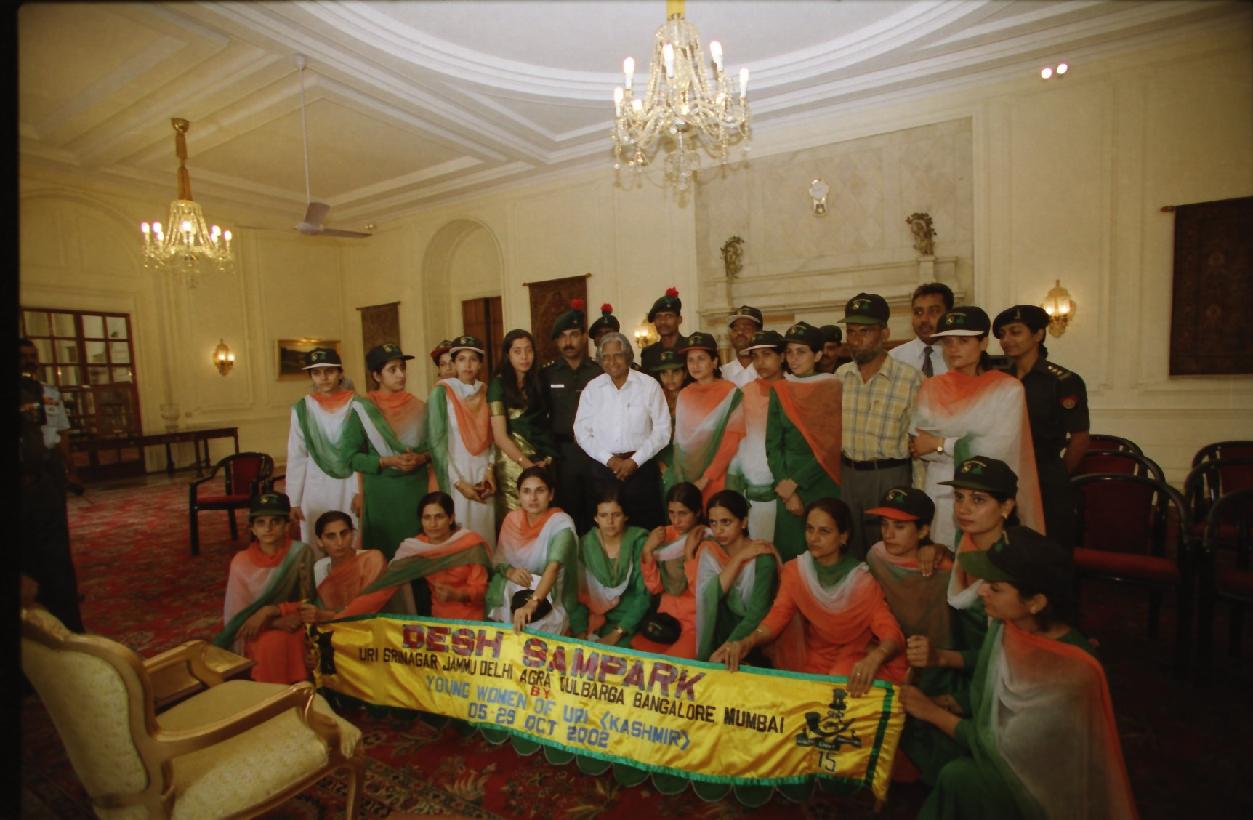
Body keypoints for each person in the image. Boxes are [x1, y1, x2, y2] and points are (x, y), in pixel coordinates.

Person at [900, 527, 1136, 819]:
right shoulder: (1009, 625)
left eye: (996, 588)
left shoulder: (1072, 673)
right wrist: (945, 695)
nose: (982, 591)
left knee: (959, 776)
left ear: (1035, 602)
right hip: (995, 742)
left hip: (1040, 781)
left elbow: (1004, 749)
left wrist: (932, 712)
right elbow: (989, 683)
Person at [713, 497, 909, 690]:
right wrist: (748, 642)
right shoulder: (797, 571)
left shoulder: (861, 581)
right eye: (809, 529)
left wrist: (876, 657)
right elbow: (778, 616)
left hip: (857, 654)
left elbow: (889, 630)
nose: (813, 538)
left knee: (839, 683)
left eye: (824, 531)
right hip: (815, 655)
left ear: (843, 536)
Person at [903, 456, 1021, 743]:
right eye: (959, 497)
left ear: (1006, 506)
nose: (963, 508)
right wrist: (940, 549)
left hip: (1002, 679)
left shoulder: (1014, 565)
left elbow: (1011, 659)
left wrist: (942, 663)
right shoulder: (965, 541)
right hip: (965, 660)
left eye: (978, 500)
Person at [909, 306, 1044, 550]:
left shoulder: (1006, 389)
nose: (953, 349)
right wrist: (955, 443)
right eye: (948, 342)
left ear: (983, 343)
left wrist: (940, 444)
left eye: (963, 341)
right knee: (940, 556)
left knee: (982, 560)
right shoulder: (931, 387)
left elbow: (995, 450)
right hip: (938, 489)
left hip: (984, 492)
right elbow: (919, 445)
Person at [835, 293, 924, 557]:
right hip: (848, 477)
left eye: (865, 331)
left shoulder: (910, 379)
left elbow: (918, 445)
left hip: (890, 477)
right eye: (851, 332)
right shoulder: (840, 377)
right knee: (849, 552)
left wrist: (919, 497)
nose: (856, 339)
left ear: (885, 333)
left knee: (889, 555)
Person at [994, 305, 1090, 549]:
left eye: (1015, 332)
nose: (1006, 340)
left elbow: (1079, 439)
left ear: (1038, 334)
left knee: (1049, 549)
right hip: (1006, 475)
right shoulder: (999, 380)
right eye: (1002, 334)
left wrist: (1057, 475)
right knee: (1008, 548)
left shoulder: (1061, 381)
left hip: (1045, 475)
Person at [341, 491, 492, 620]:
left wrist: (459, 595)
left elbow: (483, 589)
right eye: (427, 518)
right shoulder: (415, 548)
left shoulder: (470, 544)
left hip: (473, 619)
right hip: (438, 619)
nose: (433, 524)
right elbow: (383, 588)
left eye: (439, 517)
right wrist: (345, 617)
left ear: (451, 518)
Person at [214, 492, 313, 684]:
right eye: (261, 522)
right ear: (252, 528)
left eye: (275, 521)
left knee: (297, 638)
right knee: (272, 643)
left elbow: (309, 601)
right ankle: (273, 696)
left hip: (294, 619)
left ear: (287, 525)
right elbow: (237, 617)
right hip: (255, 628)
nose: (268, 528)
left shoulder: (300, 553)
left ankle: (301, 693)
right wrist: (273, 622)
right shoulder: (241, 562)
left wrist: (273, 610)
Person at [574, 332, 670, 530]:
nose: (612, 362)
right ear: (600, 360)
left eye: (617, 355)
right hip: (603, 471)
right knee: (606, 530)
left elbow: (663, 430)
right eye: (606, 357)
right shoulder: (592, 388)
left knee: (645, 529)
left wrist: (634, 461)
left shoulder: (649, 385)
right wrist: (609, 460)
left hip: (641, 470)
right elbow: (581, 432)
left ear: (628, 356)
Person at [346, 343, 432, 560]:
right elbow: (351, 457)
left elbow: (433, 447)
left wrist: (421, 457)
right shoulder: (363, 409)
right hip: (381, 494)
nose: (401, 375)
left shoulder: (418, 407)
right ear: (376, 376)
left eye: (402, 368)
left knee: (416, 552)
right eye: (392, 370)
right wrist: (386, 461)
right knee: (383, 556)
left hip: (415, 490)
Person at [767, 321, 843, 561]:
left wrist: (797, 482)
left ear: (818, 355)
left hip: (822, 478)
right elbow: (772, 445)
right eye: (789, 352)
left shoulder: (833, 386)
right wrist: (787, 489)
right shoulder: (780, 389)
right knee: (791, 555)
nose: (793, 358)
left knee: (825, 551)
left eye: (801, 351)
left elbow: (834, 443)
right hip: (786, 483)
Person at [19, 370, 84, 632]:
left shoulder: (46, 392)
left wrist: (69, 469)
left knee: (55, 550)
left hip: (43, 474)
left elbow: (59, 432)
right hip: (26, 480)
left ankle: (67, 616)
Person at [486, 467, 580, 634]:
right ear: (519, 495)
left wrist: (533, 602)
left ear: (551, 495)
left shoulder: (561, 525)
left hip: (550, 594)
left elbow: (553, 568)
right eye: (526, 491)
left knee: (531, 627)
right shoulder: (512, 520)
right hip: (517, 589)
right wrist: (510, 571)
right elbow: (499, 561)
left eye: (540, 491)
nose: (533, 498)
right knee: (502, 599)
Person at [863, 487, 952, 656]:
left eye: (899, 526)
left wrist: (942, 550)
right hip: (889, 647)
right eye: (884, 524)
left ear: (923, 531)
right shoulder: (876, 556)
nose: (888, 534)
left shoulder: (943, 570)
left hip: (935, 656)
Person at [286, 347, 359, 548]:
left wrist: (359, 490)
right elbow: (297, 455)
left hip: (349, 483)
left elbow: (363, 450)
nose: (324, 377)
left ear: (340, 373)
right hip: (315, 486)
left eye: (330, 371)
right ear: (311, 376)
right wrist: (294, 500)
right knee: (317, 539)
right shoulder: (302, 408)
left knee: (351, 537)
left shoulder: (357, 404)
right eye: (317, 372)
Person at [428, 335, 497, 549]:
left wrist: (490, 471)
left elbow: (493, 436)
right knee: (459, 538)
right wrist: (458, 483)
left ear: (480, 364)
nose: (467, 365)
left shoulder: (486, 391)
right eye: (461, 359)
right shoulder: (442, 392)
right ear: (454, 363)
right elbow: (437, 444)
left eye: (473, 359)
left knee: (485, 537)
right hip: (455, 476)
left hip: (482, 476)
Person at [696, 490, 780, 662]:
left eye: (726, 522)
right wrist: (738, 559)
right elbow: (708, 596)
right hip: (716, 637)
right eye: (713, 523)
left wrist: (727, 648)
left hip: (751, 642)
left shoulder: (763, 559)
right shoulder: (711, 552)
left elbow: (757, 614)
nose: (718, 530)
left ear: (744, 522)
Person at [542, 300, 602, 532]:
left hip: (595, 453)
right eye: (563, 337)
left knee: (597, 509)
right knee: (567, 513)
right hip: (563, 455)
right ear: (557, 341)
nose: (568, 342)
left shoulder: (598, 372)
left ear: (584, 337)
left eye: (574, 335)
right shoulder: (547, 374)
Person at [632, 482, 710, 658]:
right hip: (664, 619)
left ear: (698, 512)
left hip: (695, 623)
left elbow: (703, 591)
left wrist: (689, 555)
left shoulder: (707, 539)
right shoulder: (663, 535)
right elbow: (655, 588)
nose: (676, 520)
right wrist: (647, 551)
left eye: (683, 513)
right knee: (637, 661)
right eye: (672, 513)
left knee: (672, 667)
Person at [666, 331, 745, 505]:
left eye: (701, 358)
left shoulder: (731, 393)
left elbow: (732, 440)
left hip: (720, 474)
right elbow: (679, 442)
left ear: (714, 362)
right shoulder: (685, 395)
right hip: (687, 476)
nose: (695, 365)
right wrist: (682, 479)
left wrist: (706, 478)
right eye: (690, 360)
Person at [569, 489, 651, 646]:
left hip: (631, 623)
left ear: (626, 516)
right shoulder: (586, 546)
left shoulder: (638, 543)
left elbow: (644, 595)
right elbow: (578, 595)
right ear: (595, 518)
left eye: (616, 515)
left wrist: (617, 633)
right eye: (603, 515)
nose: (610, 521)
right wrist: (580, 632)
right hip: (593, 619)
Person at [490, 329, 556, 518]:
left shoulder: (537, 381)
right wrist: (527, 465)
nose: (524, 356)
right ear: (507, 355)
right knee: (516, 518)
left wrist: (544, 460)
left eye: (528, 350)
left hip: (539, 457)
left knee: (540, 516)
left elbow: (543, 423)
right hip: (512, 461)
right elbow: (499, 436)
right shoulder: (498, 385)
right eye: (517, 351)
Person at [729, 330, 786, 540]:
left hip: (793, 485)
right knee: (762, 546)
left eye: (767, 354)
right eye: (755, 356)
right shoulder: (745, 393)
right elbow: (736, 440)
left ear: (782, 356)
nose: (760, 362)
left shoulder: (795, 390)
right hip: (758, 484)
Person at [297, 511, 386, 623]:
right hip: (333, 630)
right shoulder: (319, 569)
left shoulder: (371, 559)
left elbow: (368, 608)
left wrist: (325, 616)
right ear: (319, 542)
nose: (339, 542)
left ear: (353, 534)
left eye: (344, 534)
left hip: (373, 628)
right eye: (331, 536)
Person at [20, 338, 82, 492]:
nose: (29, 361)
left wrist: (71, 469)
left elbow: (61, 433)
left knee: (55, 505)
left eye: (33, 356)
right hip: (24, 464)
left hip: (51, 462)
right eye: (23, 357)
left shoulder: (51, 392)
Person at [890, 283, 954, 378]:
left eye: (933, 311)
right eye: (918, 312)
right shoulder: (894, 358)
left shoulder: (960, 358)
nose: (924, 319)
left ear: (949, 315)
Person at [640, 287, 688, 376]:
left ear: (679, 320)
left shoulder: (689, 348)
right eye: (658, 317)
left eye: (669, 316)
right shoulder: (649, 354)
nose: (663, 321)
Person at [721, 304, 763, 387]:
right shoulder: (723, 374)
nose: (739, 332)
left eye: (746, 329)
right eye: (735, 329)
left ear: (759, 333)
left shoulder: (770, 372)